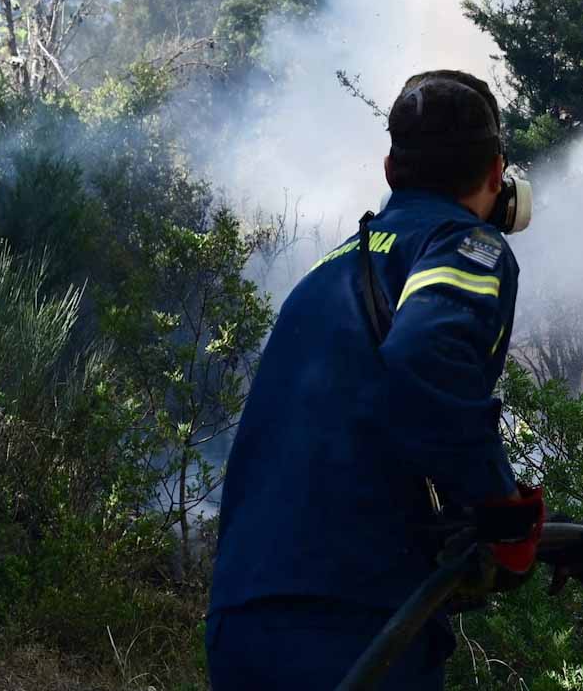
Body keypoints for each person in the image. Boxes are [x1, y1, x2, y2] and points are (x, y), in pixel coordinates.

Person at [206, 69, 544, 690]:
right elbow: (426, 355)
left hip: (243, 614)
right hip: (355, 620)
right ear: (498, 176)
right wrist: (501, 508)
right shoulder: (463, 244)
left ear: (390, 169)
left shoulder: (329, 270)